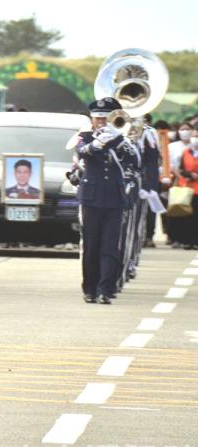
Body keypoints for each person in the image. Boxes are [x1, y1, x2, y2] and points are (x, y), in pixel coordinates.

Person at [75, 97, 138, 304]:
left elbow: (134, 161)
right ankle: (90, 288)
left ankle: (105, 289)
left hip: (114, 198)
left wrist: (118, 139)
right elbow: (81, 152)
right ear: (91, 119)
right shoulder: (84, 136)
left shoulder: (121, 139)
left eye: (105, 119)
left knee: (110, 246)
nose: (100, 123)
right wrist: (97, 143)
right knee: (91, 245)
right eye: (97, 119)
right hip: (91, 198)